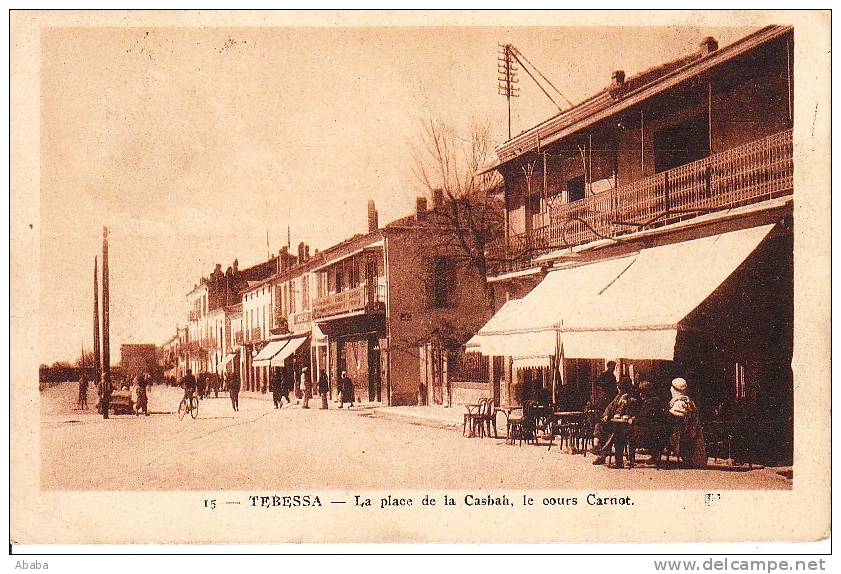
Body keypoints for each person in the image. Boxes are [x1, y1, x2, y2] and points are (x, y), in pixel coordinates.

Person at [591, 376, 638, 466]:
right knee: (599, 426)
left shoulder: (632, 398)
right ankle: (598, 447)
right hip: (614, 422)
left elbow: (629, 411)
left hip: (627, 425)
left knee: (613, 434)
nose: (618, 390)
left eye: (620, 388)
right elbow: (609, 407)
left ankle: (602, 454)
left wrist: (625, 402)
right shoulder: (618, 396)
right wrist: (606, 415)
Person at [668, 378, 707, 468]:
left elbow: (676, 418)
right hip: (690, 431)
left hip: (681, 433)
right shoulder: (689, 401)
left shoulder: (679, 403)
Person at [630, 380, 669, 467]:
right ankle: (655, 457)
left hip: (649, 434)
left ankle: (631, 460)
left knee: (630, 435)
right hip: (659, 432)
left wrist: (633, 419)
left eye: (641, 392)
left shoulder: (649, 403)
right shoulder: (657, 400)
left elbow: (643, 419)